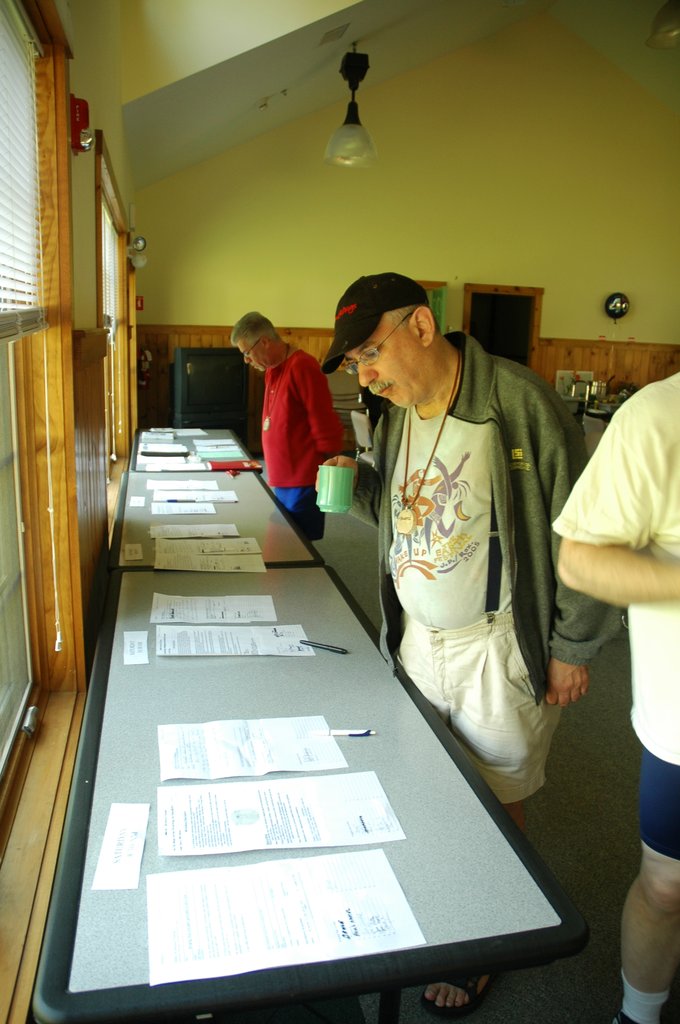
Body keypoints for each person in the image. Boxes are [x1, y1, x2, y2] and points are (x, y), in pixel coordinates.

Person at [320, 272, 620, 1016]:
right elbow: (407, 515)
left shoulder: (517, 403)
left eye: (369, 354)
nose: (365, 376)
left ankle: (488, 941)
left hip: (496, 647)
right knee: (427, 784)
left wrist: (573, 646)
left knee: (498, 799)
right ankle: (445, 905)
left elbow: (585, 530)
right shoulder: (396, 414)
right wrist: (356, 485)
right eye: (355, 363)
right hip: (417, 641)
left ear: (422, 326)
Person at [553, 372, 680, 1024]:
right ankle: (638, 1014)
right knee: (667, 888)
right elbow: (580, 560)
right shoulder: (660, 415)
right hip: (677, 730)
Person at [231, 312, 343, 540]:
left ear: (264, 341)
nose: (246, 360)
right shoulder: (272, 369)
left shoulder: (303, 366)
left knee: (296, 544)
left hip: (303, 478)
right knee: (285, 540)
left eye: (247, 353)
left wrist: (329, 468)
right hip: (282, 476)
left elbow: (323, 419)